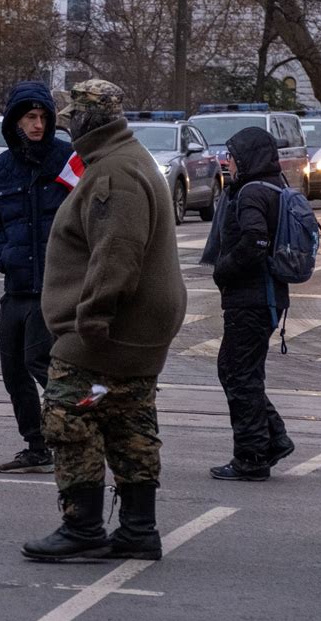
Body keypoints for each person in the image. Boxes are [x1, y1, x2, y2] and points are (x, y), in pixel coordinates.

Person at [21, 79, 187, 561]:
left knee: (67, 417)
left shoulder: (113, 172)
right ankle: (138, 530)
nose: (66, 124)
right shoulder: (125, 161)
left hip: (105, 331)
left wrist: (90, 319)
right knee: (128, 421)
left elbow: (117, 255)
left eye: (73, 116)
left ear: (91, 120)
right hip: (134, 329)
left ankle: (83, 527)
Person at [0, 80, 73, 474]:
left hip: (52, 285)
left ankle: (73, 434)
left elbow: (87, 211)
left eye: (42, 117)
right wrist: (3, 254)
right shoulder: (3, 167)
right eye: (29, 117)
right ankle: (37, 445)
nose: (37, 125)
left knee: (40, 359)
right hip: (16, 283)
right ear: (15, 121)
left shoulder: (66, 158)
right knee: (13, 369)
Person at [204, 127, 295, 482]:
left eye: (232, 155)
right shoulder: (273, 185)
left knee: (237, 373)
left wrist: (223, 270)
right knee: (242, 372)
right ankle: (273, 438)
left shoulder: (253, 192)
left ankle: (252, 455)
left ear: (248, 158)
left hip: (253, 300)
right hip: (264, 298)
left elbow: (256, 240)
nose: (227, 162)